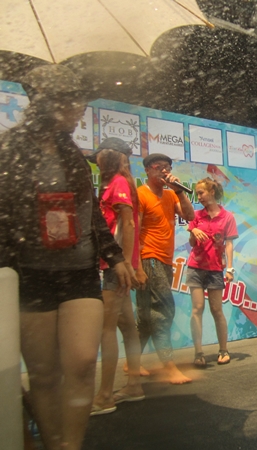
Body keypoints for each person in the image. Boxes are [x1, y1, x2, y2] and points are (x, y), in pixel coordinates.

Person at [0, 65, 132, 450]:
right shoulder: (10, 150)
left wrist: (114, 256)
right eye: (74, 104)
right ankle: (53, 441)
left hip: (80, 271)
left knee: (82, 362)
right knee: (43, 375)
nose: (79, 113)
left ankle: (69, 446)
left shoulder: (72, 153)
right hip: (30, 274)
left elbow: (91, 213)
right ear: (48, 102)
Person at [87, 138, 145, 415]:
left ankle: (104, 396)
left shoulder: (119, 183)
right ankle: (134, 385)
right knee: (126, 326)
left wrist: (125, 263)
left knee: (107, 329)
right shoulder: (116, 183)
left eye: (98, 157)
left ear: (109, 156)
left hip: (115, 267)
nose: (96, 162)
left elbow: (129, 223)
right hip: (116, 265)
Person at [136, 152, 195, 384]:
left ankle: (131, 362)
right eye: (158, 167)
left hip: (165, 261)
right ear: (147, 170)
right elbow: (133, 231)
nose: (164, 171)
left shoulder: (171, 195)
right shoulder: (140, 194)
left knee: (147, 315)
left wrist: (179, 191)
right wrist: (136, 266)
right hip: (148, 258)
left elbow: (190, 216)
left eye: (167, 167)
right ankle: (169, 367)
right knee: (163, 311)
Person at [186, 177, 238, 367]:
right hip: (195, 266)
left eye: (201, 193)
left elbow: (229, 244)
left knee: (217, 310)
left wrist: (230, 268)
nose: (198, 197)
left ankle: (223, 350)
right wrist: (193, 232)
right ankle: (198, 352)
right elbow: (192, 243)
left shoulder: (227, 217)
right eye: (197, 193)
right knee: (197, 308)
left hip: (215, 268)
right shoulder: (196, 215)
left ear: (212, 192)